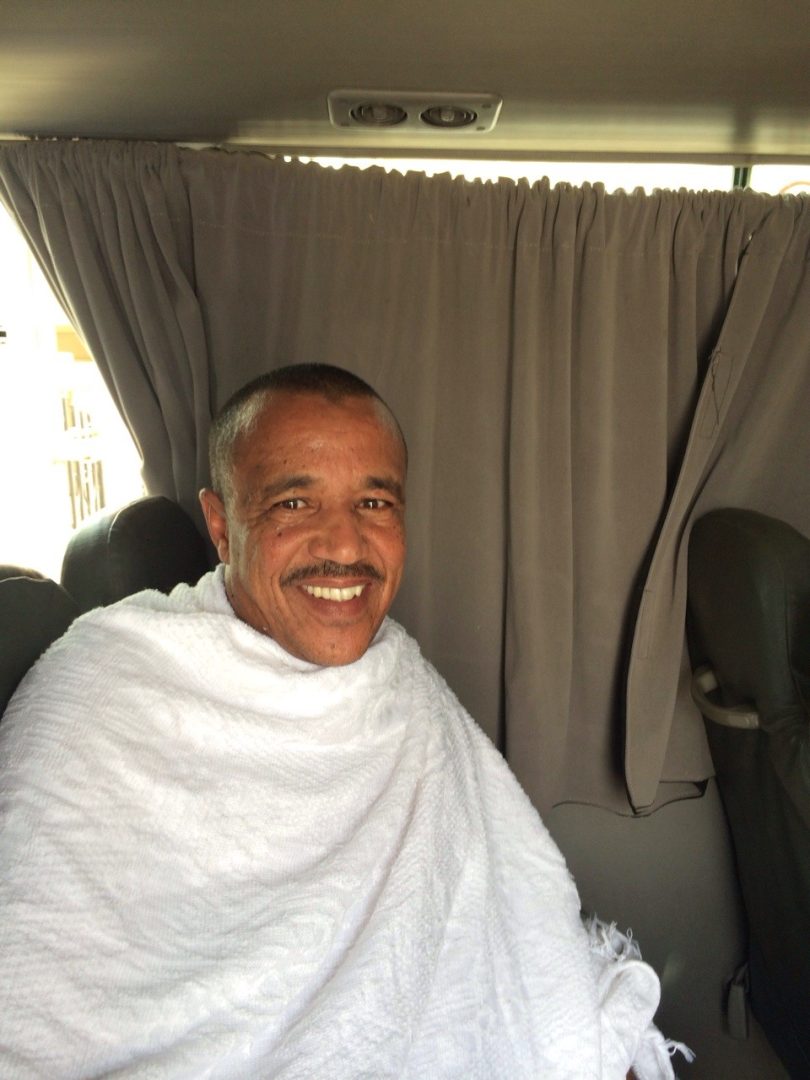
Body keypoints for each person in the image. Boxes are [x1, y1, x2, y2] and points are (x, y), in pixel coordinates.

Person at [0, 364, 688, 1078]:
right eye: (295, 503)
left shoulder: (396, 674)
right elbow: (32, 1002)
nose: (346, 547)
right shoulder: (104, 684)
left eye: (374, 503)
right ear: (221, 526)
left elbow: (503, 909)